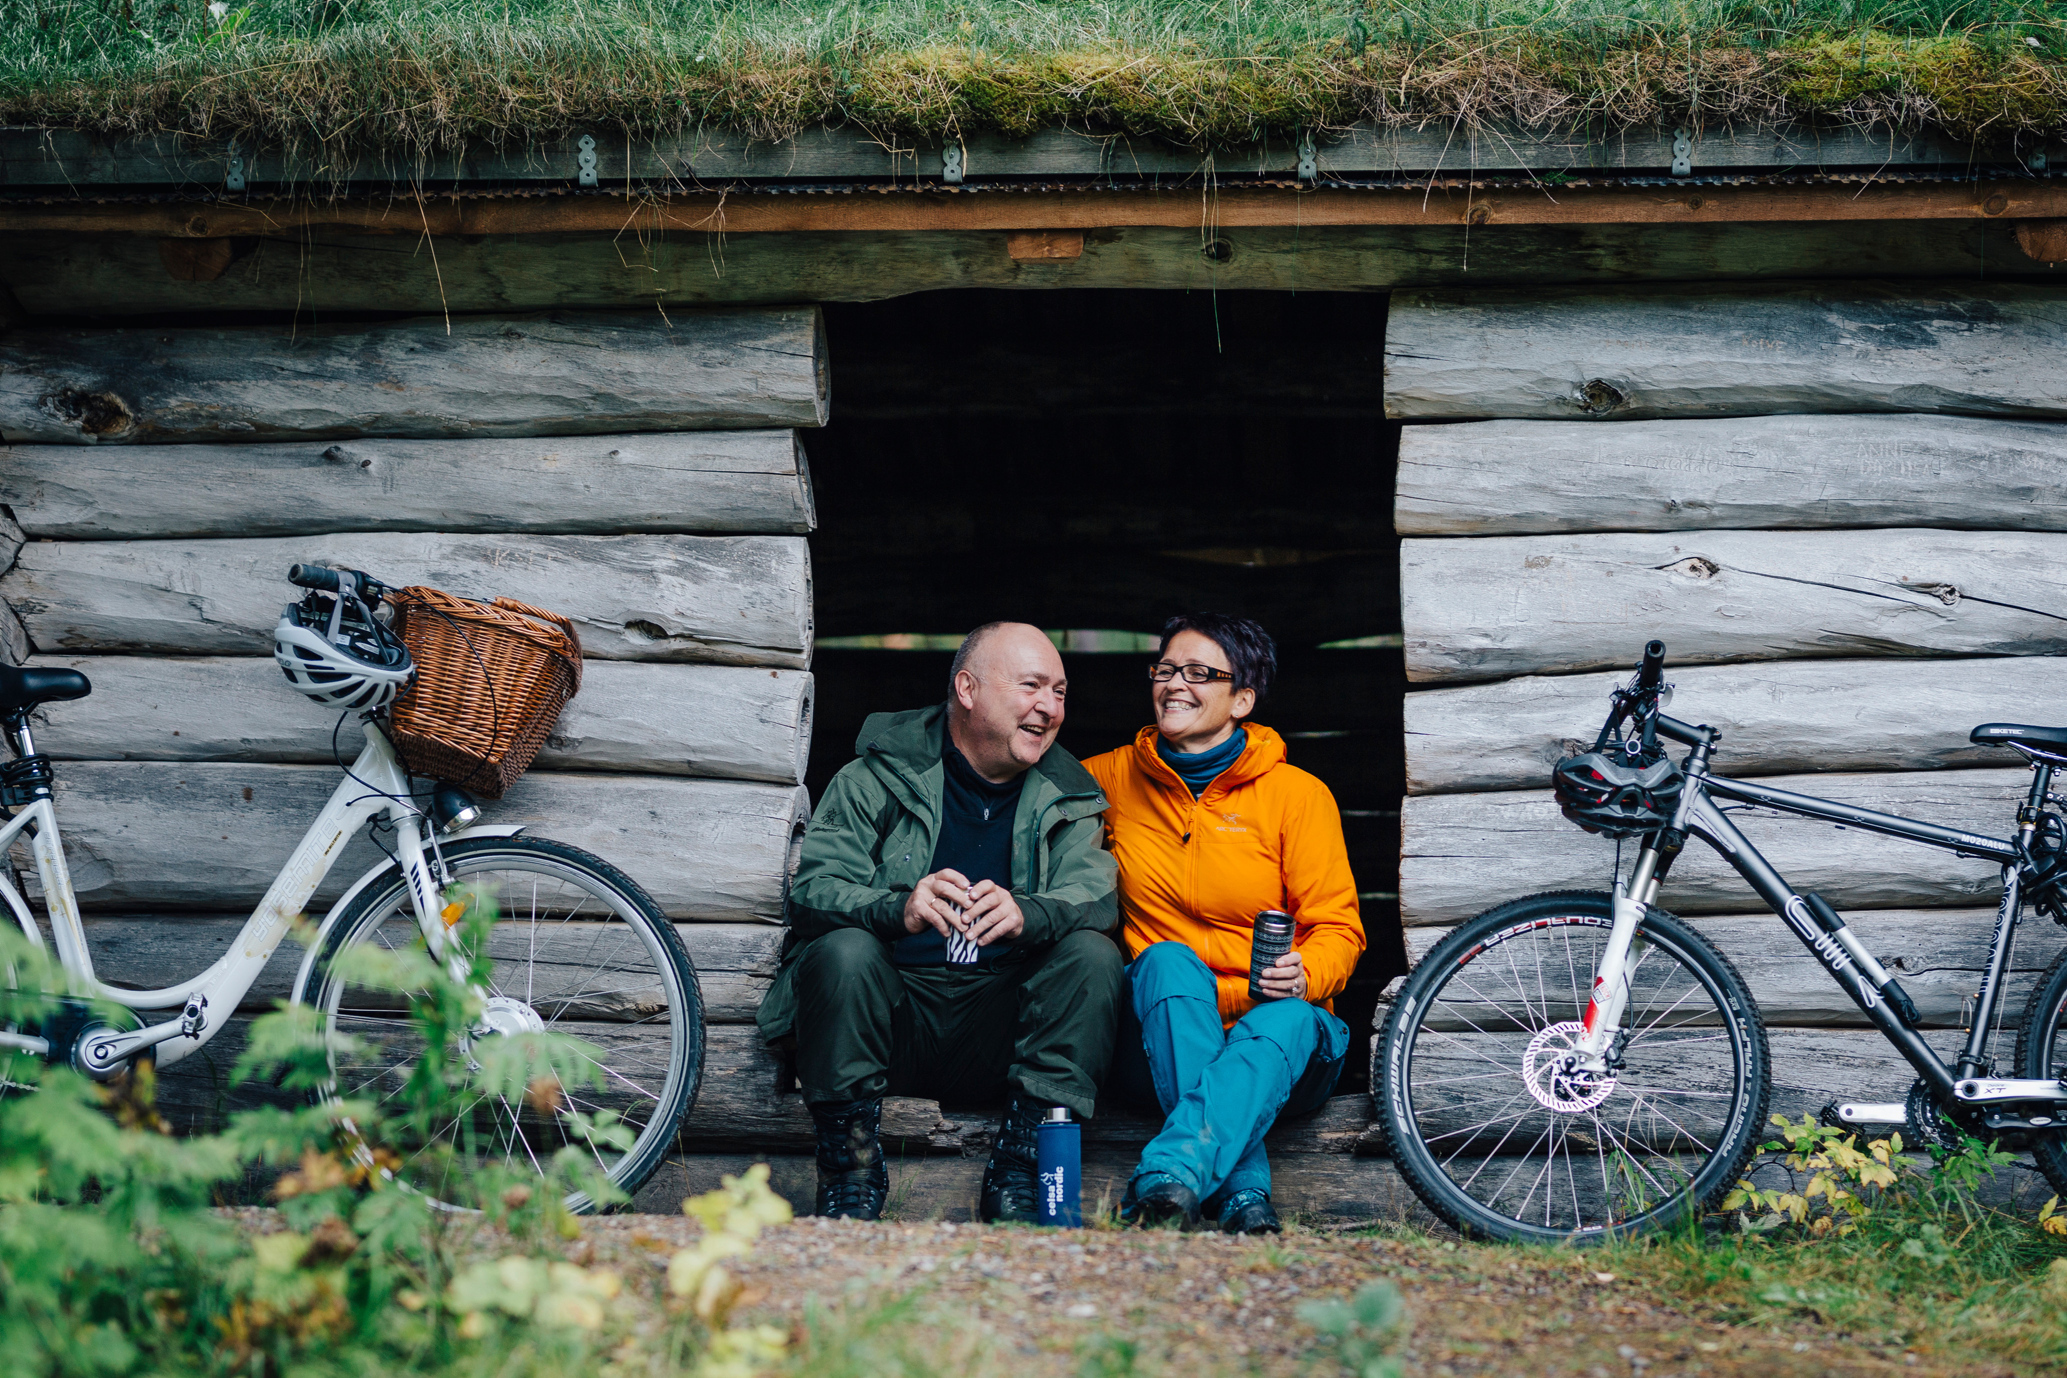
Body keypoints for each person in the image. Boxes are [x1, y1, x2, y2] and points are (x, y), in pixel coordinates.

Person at [756, 621, 1124, 1223]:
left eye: (1059, 692)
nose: (1049, 707)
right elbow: (814, 891)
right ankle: (850, 1172)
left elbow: (1095, 896)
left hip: (1001, 1030)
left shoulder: (1067, 792)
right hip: (892, 1022)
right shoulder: (875, 774)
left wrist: (1029, 913)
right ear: (968, 689)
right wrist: (896, 909)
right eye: (1032, 685)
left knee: (1092, 954)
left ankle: (1022, 1170)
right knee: (844, 951)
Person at [1084, 612, 1366, 1234]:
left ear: (1243, 698)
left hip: (1279, 1039)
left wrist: (1307, 974)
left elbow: (1340, 930)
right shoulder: (1100, 781)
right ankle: (1238, 1196)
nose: (1175, 684)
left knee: (1290, 1017)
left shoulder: (1297, 796)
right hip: (1163, 1028)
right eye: (1166, 669)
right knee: (1164, 959)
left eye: (1200, 673)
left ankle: (1175, 1174)